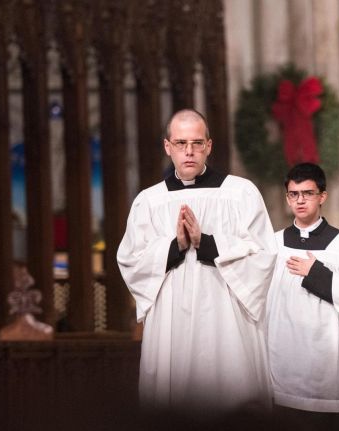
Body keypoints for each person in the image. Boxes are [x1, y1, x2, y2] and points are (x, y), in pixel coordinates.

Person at [116, 109, 277, 416]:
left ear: (209, 146)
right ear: (168, 147)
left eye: (196, 143)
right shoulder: (149, 201)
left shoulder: (240, 193)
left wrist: (208, 243)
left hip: (227, 322)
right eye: (180, 143)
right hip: (171, 320)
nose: (188, 151)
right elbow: (130, 261)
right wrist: (174, 247)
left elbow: (263, 255)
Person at [266, 163, 339, 430]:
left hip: (329, 356)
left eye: (308, 193)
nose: (300, 200)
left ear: (322, 196)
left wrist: (316, 273)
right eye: (294, 194)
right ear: (287, 198)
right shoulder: (273, 243)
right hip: (284, 356)